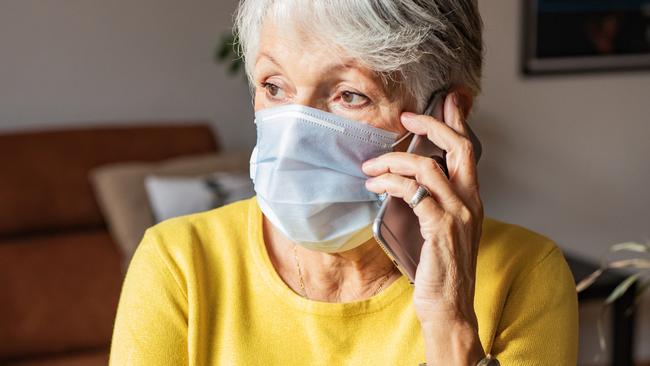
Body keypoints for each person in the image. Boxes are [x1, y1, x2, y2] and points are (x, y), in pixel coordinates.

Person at [109, 1, 578, 365]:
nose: (294, 135)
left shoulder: (525, 273)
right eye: (274, 87)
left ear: (443, 121)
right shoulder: (177, 262)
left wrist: (450, 324)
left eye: (349, 95)